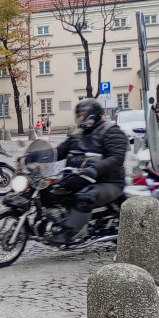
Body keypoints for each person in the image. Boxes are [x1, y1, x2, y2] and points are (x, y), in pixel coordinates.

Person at [47, 98, 127, 244]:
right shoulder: (78, 135)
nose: (79, 118)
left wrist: (94, 169)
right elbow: (58, 152)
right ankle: (56, 221)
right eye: (78, 115)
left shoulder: (111, 131)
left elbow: (116, 158)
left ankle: (70, 232)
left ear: (91, 115)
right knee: (50, 189)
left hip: (109, 182)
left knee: (86, 196)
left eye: (82, 115)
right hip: (79, 178)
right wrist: (34, 157)